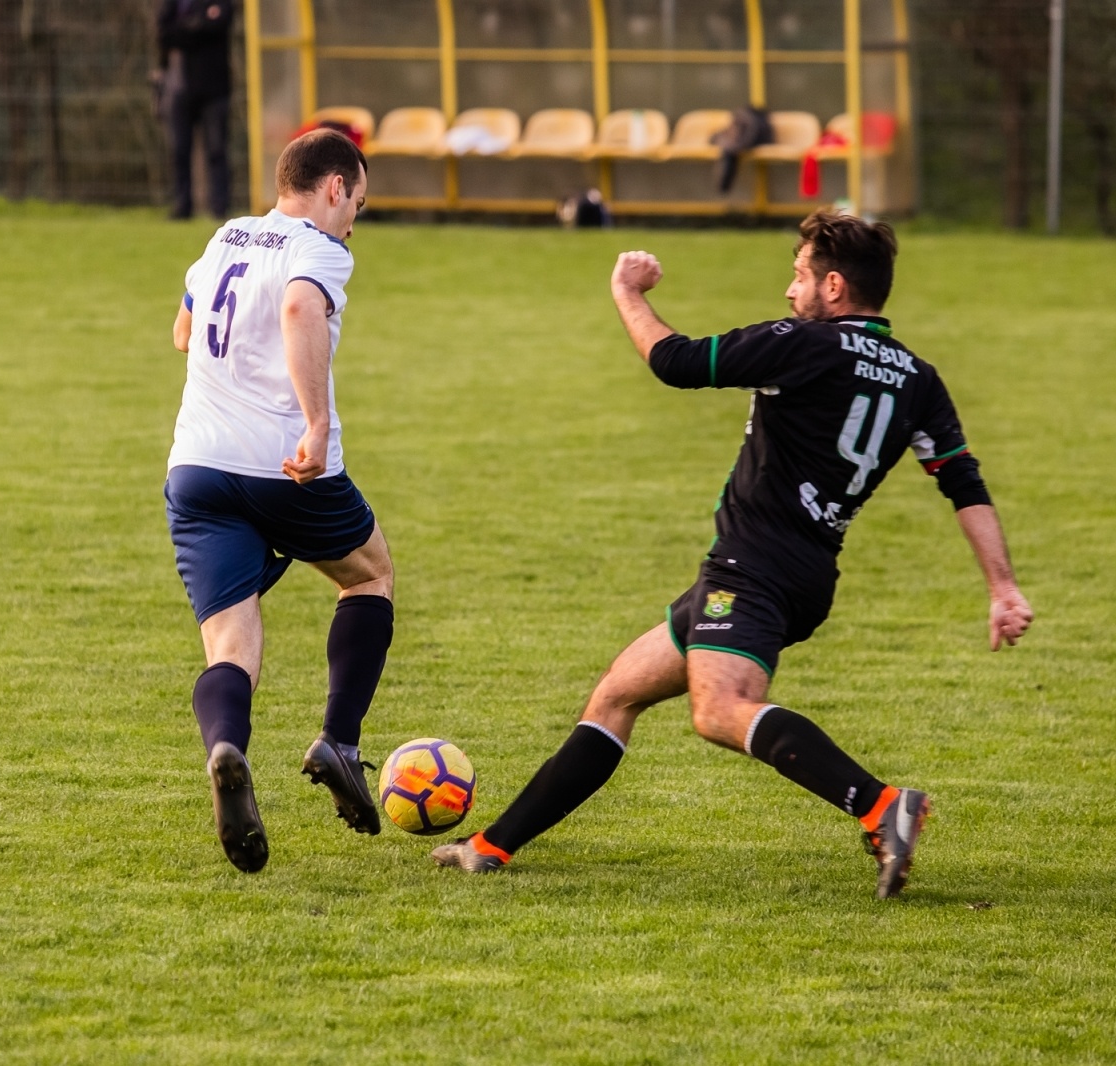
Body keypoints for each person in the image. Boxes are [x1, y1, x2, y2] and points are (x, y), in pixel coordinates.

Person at [433, 212, 1034, 899]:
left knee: (719, 709)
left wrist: (627, 290)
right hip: (805, 570)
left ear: (834, 286)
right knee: (618, 693)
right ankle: (489, 848)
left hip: (753, 569)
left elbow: (674, 360)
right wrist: (1003, 586)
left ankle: (880, 805)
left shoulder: (802, 344)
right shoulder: (918, 379)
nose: (790, 290)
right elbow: (962, 481)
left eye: (800, 275)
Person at [165, 130, 391, 874]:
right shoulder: (319, 248)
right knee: (369, 576)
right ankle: (339, 741)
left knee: (231, 644)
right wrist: (316, 423)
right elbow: (298, 309)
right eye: (357, 204)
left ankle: (226, 747)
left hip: (197, 466)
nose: (353, 222)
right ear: (334, 188)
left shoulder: (225, 236)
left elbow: (184, 332)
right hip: (285, 466)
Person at [156, 0, 233, 220]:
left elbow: (218, 24)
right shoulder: (172, 4)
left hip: (215, 90)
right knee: (179, 150)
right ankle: (182, 206)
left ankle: (220, 207)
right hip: (179, 89)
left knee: (217, 150)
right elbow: (163, 33)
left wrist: (182, 29)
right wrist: (197, 25)